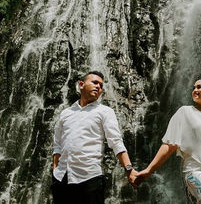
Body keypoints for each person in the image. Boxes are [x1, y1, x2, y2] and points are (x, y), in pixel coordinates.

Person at [51, 71, 137, 204]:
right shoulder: (65, 113)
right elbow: (57, 145)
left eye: (101, 86)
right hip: (61, 179)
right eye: (95, 82)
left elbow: (116, 142)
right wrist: (55, 171)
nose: (98, 87)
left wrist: (129, 169)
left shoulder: (105, 112)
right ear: (81, 84)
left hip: (90, 178)